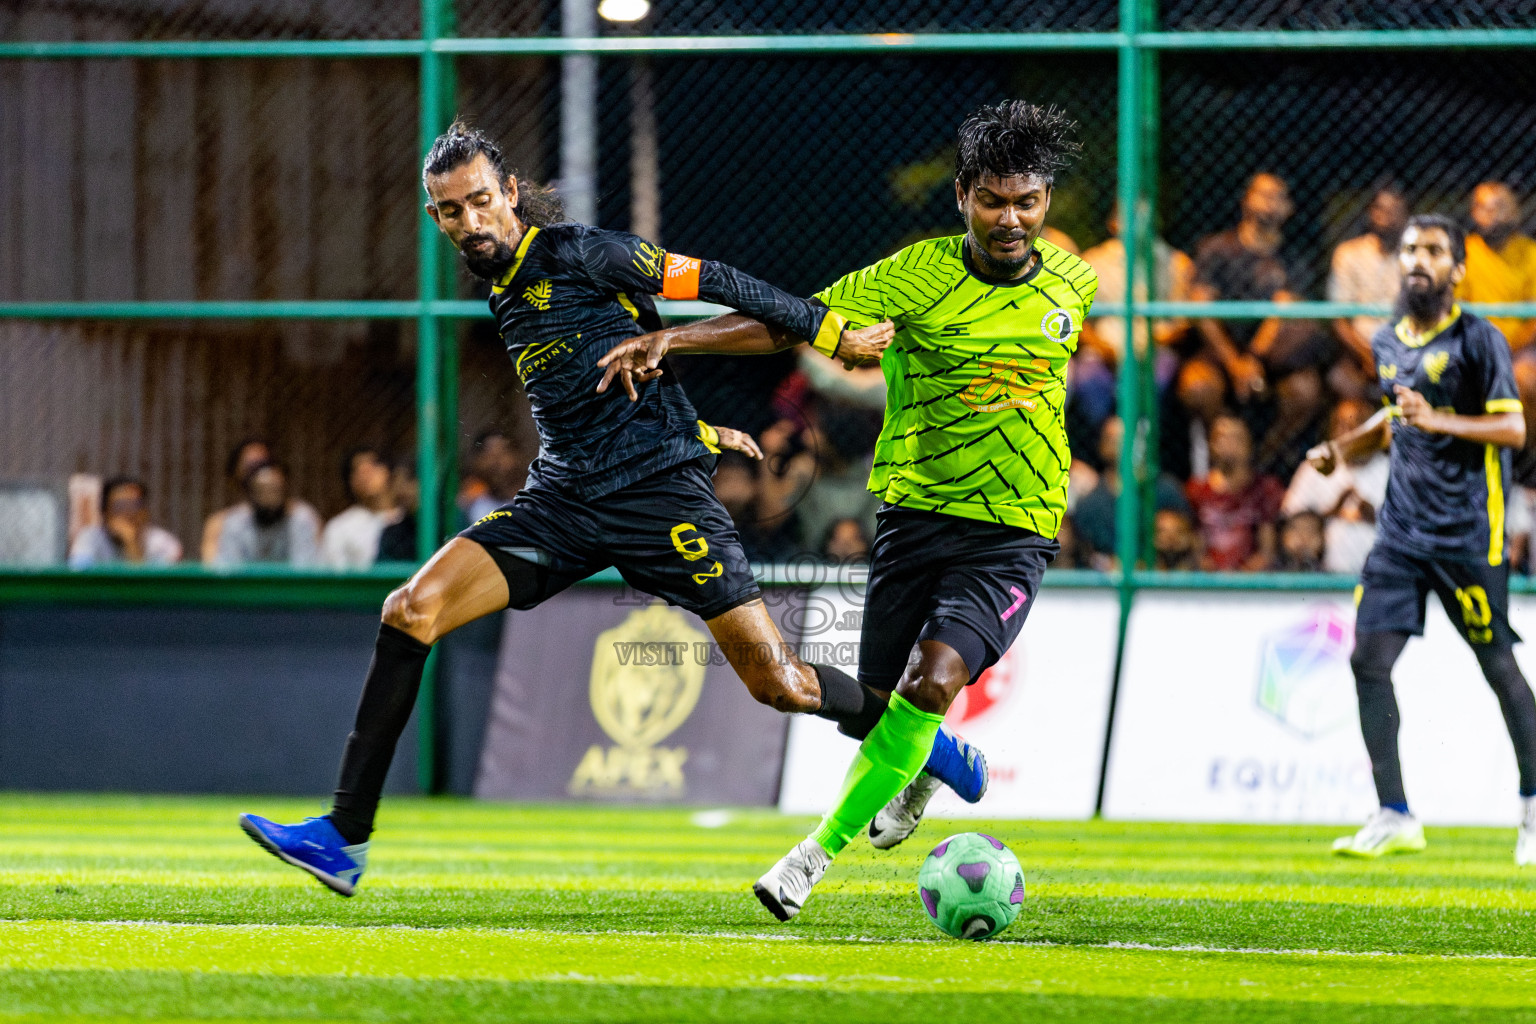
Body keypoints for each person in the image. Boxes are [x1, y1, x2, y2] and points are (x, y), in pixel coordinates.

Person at [238, 122, 984, 897]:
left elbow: (722, 279)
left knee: (782, 685)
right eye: (451, 211)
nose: (471, 222)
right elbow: (595, 380)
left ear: (511, 195)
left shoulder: (581, 252)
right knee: (409, 609)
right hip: (562, 500)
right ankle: (343, 837)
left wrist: (832, 333)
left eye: (482, 202)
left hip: (660, 495)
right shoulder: (502, 288)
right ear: (435, 217)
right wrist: (690, 421)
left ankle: (927, 747)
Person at [599, 101, 1093, 920]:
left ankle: (808, 858)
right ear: (963, 195)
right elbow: (792, 323)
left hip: (1016, 528)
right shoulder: (913, 276)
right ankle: (943, 764)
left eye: (1029, 201)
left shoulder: (1074, 284)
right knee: (875, 714)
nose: (1013, 219)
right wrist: (674, 340)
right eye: (995, 200)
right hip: (915, 517)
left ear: (1046, 200)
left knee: (930, 682)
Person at [1307, 214, 1536, 863]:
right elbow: (1393, 418)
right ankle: (1394, 812)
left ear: (1457, 268)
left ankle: (1532, 807)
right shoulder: (1386, 340)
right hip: (1399, 535)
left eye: (1433, 251)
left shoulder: (1479, 339)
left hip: (1468, 534)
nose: (1417, 260)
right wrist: (1342, 450)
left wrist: (1438, 419)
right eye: (1410, 249)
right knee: (1367, 662)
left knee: (1498, 668)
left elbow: (1513, 430)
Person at [1182, 173, 1329, 476]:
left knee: (1305, 390)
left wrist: (1254, 359)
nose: (1269, 202)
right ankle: (1221, 458)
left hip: (1273, 356)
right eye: (1262, 194)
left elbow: (1283, 311)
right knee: (1197, 385)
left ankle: (1260, 465)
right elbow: (1200, 307)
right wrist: (1235, 363)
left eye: (1277, 196)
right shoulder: (1217, 248)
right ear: (1245, 200)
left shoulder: (1294, 256)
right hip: (1223, 350)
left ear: (1288, 209)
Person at [1076, 202, 1194, 441]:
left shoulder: (1177, 263)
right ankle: (1108, 442)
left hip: (1155, 351)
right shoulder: (1091, 262)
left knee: (1159, 375)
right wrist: (1103, 349)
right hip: (1104, 352)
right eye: (1128, 214)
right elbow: (1079, 321)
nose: (1137, 221)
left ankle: (1142, 441)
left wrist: (1150, 346)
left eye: (1144, 213)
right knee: (1087, 377)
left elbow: (1182, 324)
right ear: (1113, 222)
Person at [1459, 182, 1536, 433]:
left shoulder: (1529, 253)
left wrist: (1510, 348)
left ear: (1513, 212)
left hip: (1520, 348)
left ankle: (1523, 455)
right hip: (1477, 346)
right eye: (1483, 208)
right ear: (1473, 213)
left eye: (1498, 207)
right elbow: (1459, 310)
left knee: (1527, 380)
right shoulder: (1465, 252)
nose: (1491, 215)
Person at [1281, 397, 1389, 574]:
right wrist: (1332, 512)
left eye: (1358, 424)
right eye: (1341, 425)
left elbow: (1414, 528)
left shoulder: (1392, 470)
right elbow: (1291, 523)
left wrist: (1377, 517)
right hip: (1323, 578)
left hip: (1382, 577)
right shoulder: (1316, 466)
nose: (1349, 432)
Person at [1329, 185, 1408, 397]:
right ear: (1371, 213)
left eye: (1394, 209)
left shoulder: (1419, 257)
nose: (1386, 216)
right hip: (1359, 351)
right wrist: (1367, 356)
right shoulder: (1349, 254)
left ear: (1406, 214)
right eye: (1380, 209)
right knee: (1340, 379)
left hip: (1408, 350)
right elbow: (1339, 319)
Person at [1185, 414, 1284, 571]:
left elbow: (1267, 550)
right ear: (1212, 445)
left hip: (1250, 580)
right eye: (1221, 438)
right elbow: (1196, 544)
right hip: (1208, 579)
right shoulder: (1197, 489)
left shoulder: (1265, 488)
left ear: (1249, 446)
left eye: (1236, 439)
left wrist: (1241, 577)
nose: (1228, 445)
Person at [213, 461, 322, 568]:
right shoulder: (235, 523)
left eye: (275, 490)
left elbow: (306, 571)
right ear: (250, 494)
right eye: (262, 491)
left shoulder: (301, 520)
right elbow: (227, 571)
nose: (269, 499)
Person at [68, 477, 182, 568]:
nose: (129, 513)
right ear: (104, 513)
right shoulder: (90, 538)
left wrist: (131, 544)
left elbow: (151, 588)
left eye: (135, 505)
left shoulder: (164, 543)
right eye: (120, 506)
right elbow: (79, 574)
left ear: (146, 512)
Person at [321, 447, 402, 570]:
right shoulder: (339, 527)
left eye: (373, 465)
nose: (366, 474)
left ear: (388, 471)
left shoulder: (411, 519)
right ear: (350, 481)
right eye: (357, 470)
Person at [201, 439, 272, 564]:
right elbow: (212, 571)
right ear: (234, 475)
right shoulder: (219, 524)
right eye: (251, 466)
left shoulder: (301, 518)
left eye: (263, 465)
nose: (257, 474)